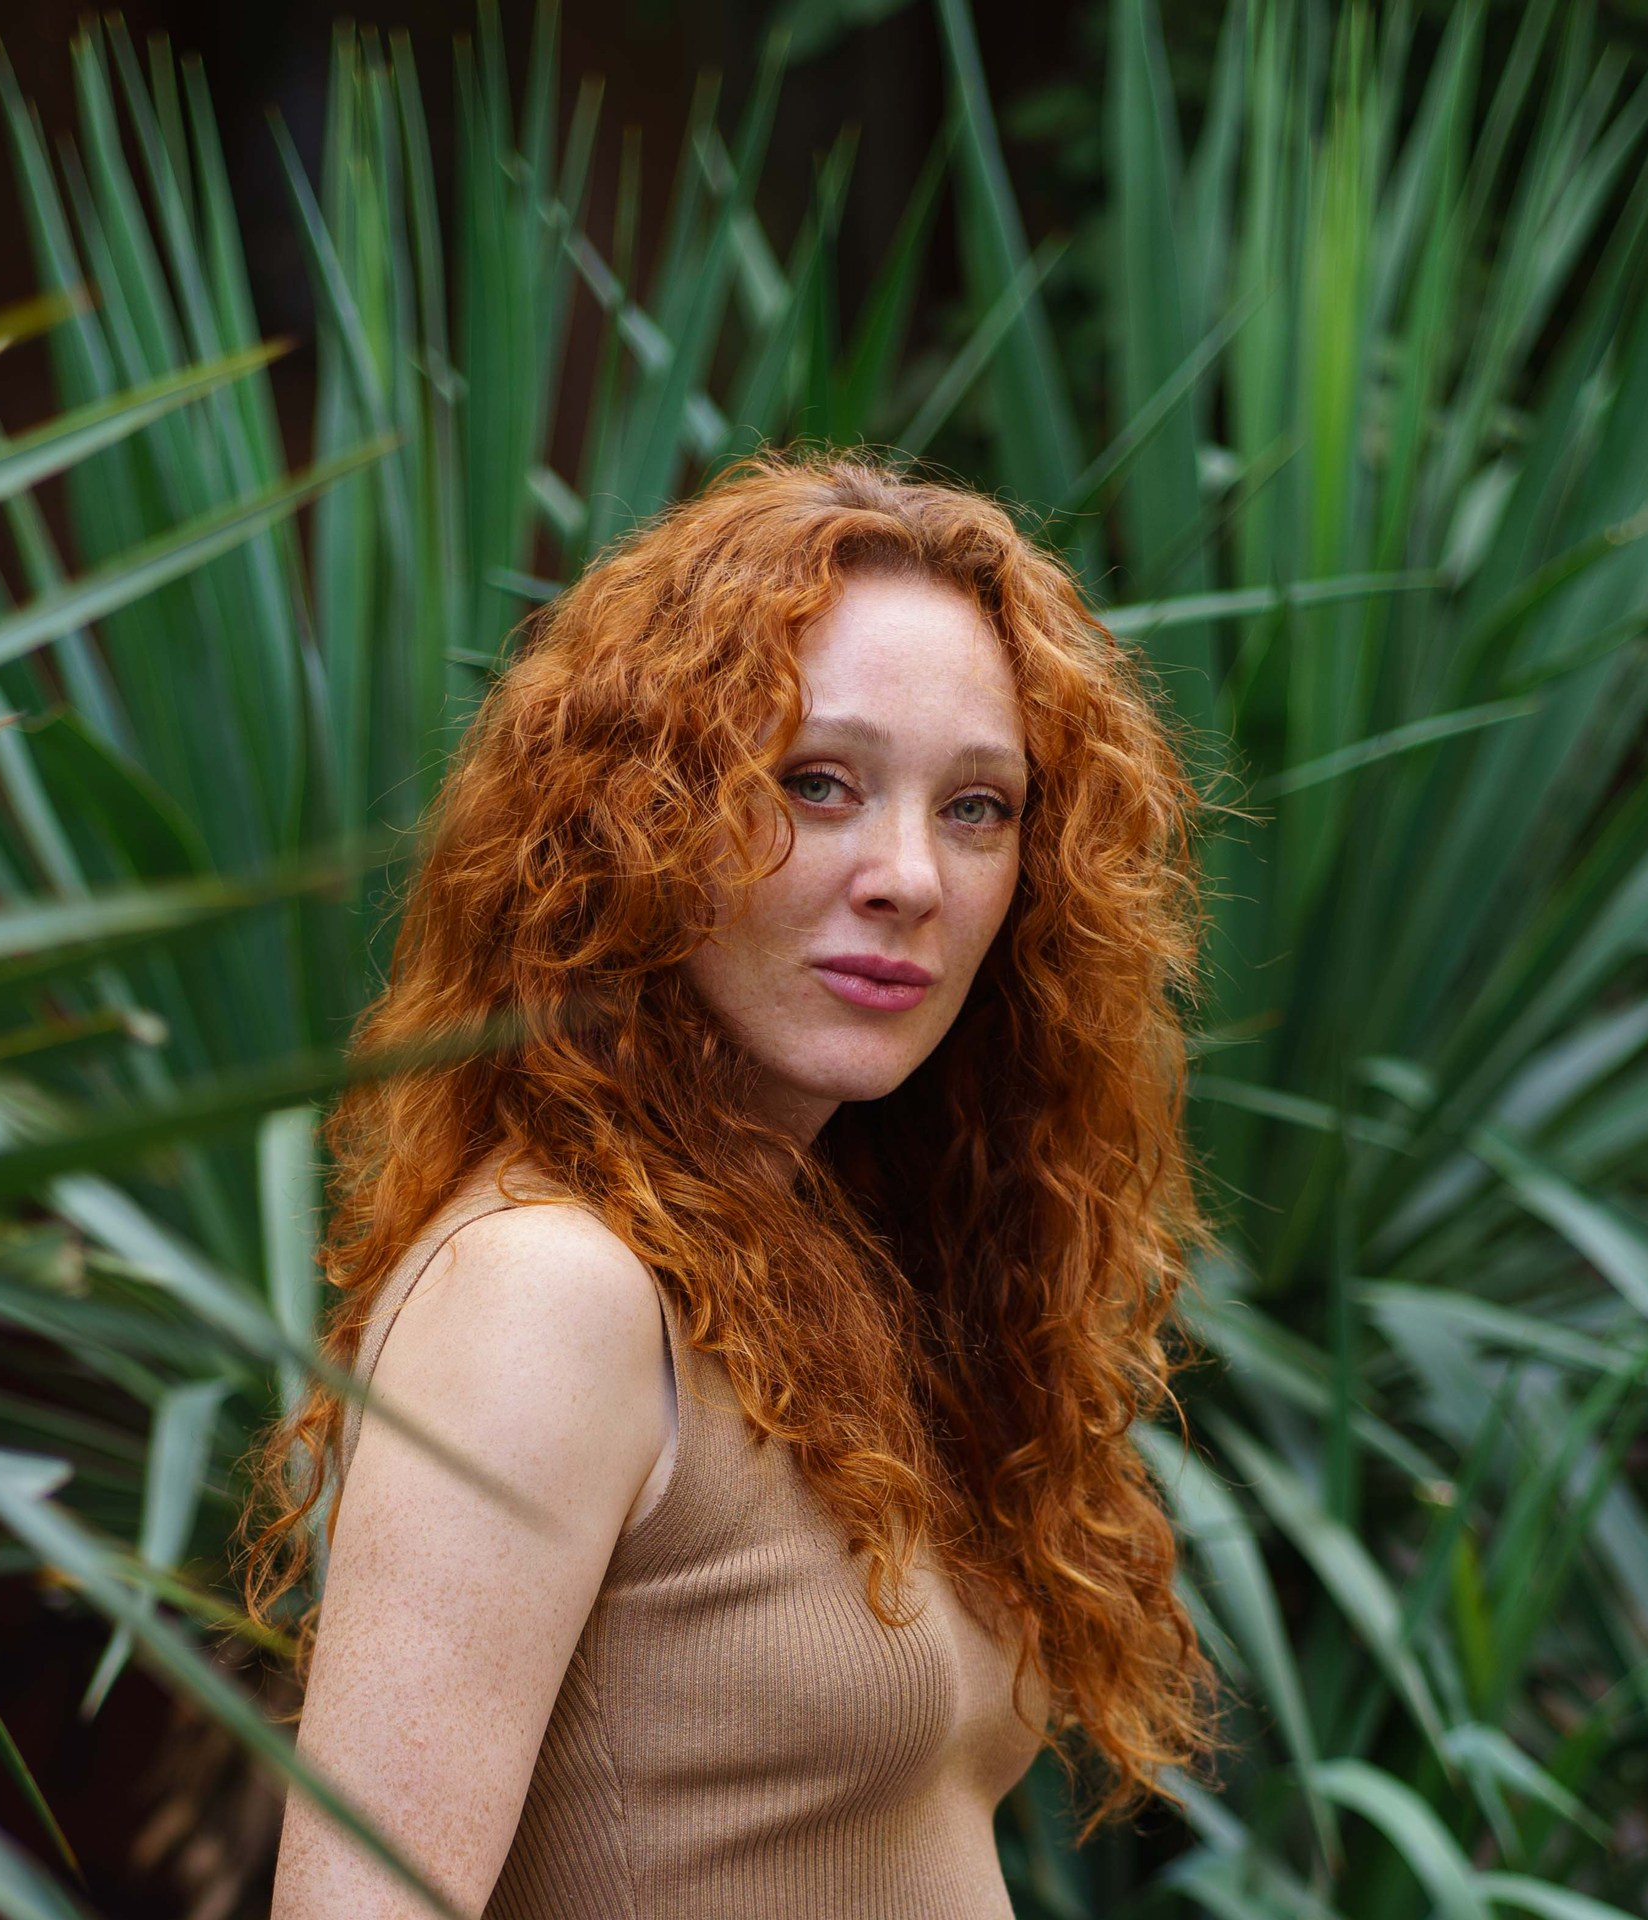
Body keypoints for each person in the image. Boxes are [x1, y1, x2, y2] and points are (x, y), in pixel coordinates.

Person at [246, 452, 1214, 1918]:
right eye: (815, 784)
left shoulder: (847, 1272)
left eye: (979, 808)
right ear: (637, 825)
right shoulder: (552, 1289)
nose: (910, 876)